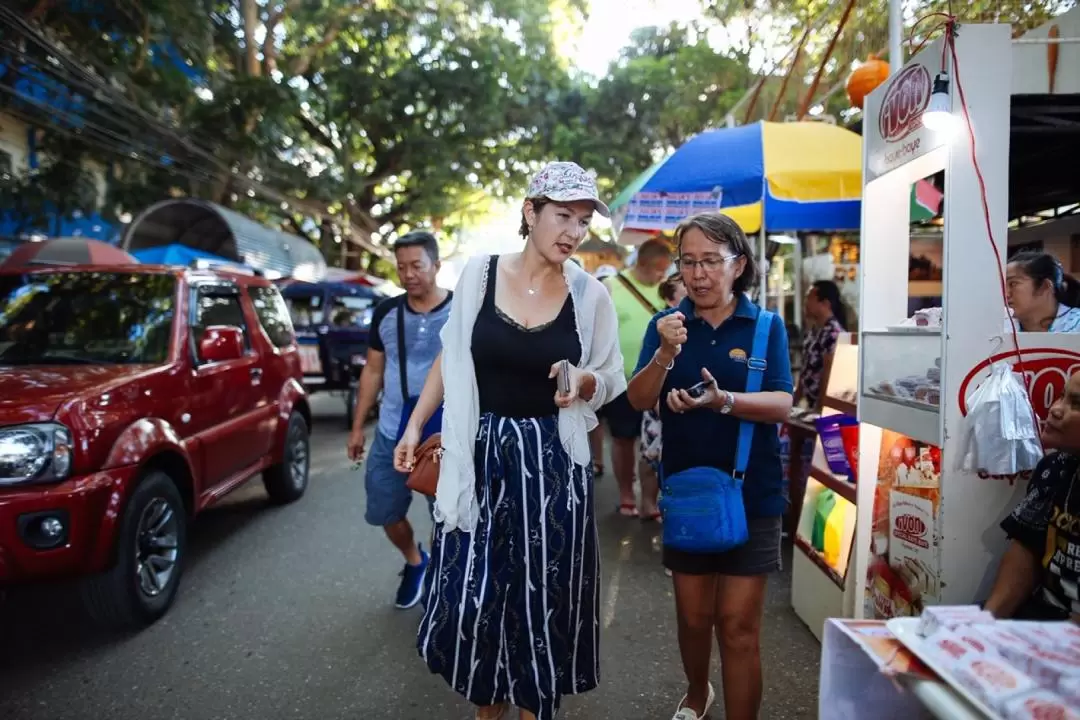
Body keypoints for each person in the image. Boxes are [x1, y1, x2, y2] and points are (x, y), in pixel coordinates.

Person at [395, 161, 625, 720]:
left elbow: (611, 376)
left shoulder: (590, 294)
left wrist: (583, 379)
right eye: (562, 216)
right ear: (531, 212)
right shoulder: (478, 274)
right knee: (476, 597)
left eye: (583, 219)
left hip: (552, 465)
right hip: (480, 456)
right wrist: (413, 425)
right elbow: (451, 361)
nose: (573, 231)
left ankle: (536, 709)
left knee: (541, 599)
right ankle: (487, 708)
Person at [626, 213, 793, 720]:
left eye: (711, 262)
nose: (699, 274)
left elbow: (783, 404)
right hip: (688, 491)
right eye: (689, 262)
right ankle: (698, 694)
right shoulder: (668, 328)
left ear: (738, 265)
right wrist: (664, 354)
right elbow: (637, 400)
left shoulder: (766, 327)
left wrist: (725, 401)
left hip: (753, 492)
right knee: (694, 618)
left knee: (738, 626)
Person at [345, 231, 452, 609]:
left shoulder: (461, 312)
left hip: (443, 435)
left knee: (447, 516)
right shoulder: (385, 313)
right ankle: (415, 561)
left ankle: (443, 574)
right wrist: (358, 427)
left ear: (436, 266)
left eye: (417, 266)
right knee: (384, 511)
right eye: (402, 267)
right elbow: (373, 372)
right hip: (391, 430)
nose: (408, 274)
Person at [984, 370, 1080, 622]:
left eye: (1076, 403)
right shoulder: (1055, 469)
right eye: (1061, 396)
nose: (1056, 409)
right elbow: (1026, 549)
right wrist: (986, 624)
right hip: (1043, 619)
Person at [603, 238, 671, 517]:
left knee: (655, 440)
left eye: (665, 270)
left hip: (660, 381)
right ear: (641, 263)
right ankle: (626, 494)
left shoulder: (668, 289)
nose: (661, 276)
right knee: (623, 438)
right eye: (657, 269)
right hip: (621, 379)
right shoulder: (611, 287)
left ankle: (651, 499)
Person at [639, 274, 688, 520]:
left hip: (681, 408)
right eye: (683, 291)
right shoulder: (660, 326)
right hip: (657, 404)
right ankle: (647, 504)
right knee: (650, 456)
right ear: (671, 300)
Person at [794, 280, 846, 409]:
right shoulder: (813, 331)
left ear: (825, 303)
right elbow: (805, 369)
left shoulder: (833, 333)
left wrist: (820, 409)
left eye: (809, 298)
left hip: (823, 408)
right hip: (810, 405)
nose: (805, 303)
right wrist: (795, 400)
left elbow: (828, 375)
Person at [1006, 251, 1080, 333]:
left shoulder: (1077, 325)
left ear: (1044, 286)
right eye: (1002, 285)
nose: (1006, 294)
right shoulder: (1000, 327)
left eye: (1013, 284)